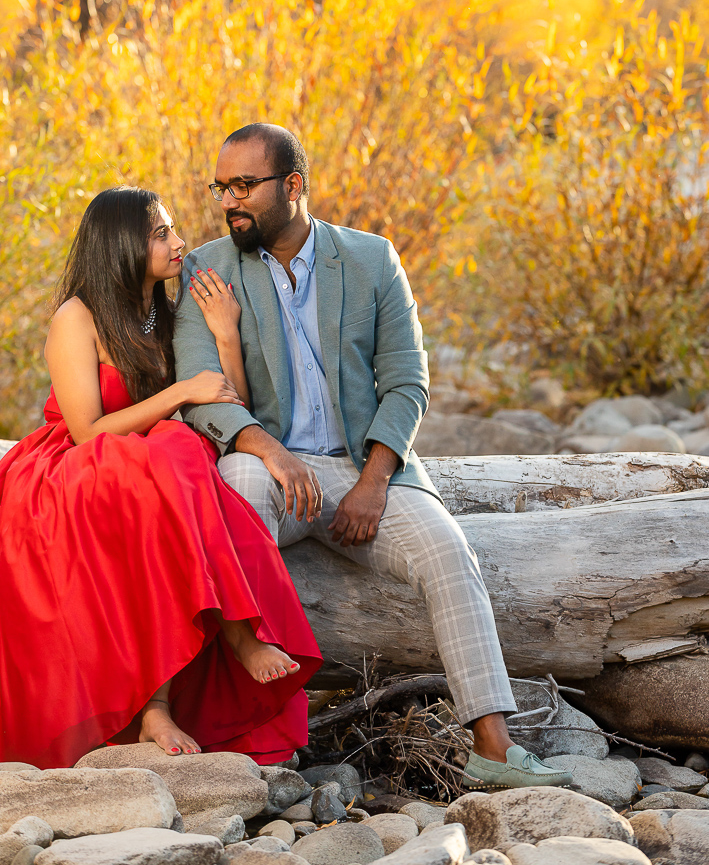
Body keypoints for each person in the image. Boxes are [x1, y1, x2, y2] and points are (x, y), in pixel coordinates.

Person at [173, 123, 571, 791]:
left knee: (449, 554)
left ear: (292, 186)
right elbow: (203, 397)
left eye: (243, 185)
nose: (227, 201)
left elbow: (408, 381)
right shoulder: (206, 270)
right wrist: (271, 450)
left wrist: (374, 481)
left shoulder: (370, 259)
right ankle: (240, 736)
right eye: (221, 187)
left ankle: (493, 747)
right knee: (236, 488)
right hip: (269, 468)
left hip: (365, 470)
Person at [0, 186, 321, 770]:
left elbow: (222, 399)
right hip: (72, 465)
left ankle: (169, 693)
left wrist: (222, 335)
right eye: (161, 233)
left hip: (153, 464)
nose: (179, 242)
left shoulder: (170, 311)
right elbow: (89, 430)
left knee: (178, 448)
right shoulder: (77, 317)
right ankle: (208, 658)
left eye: (173, 229)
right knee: (173, 448)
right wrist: (178, 394)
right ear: (120, 245)